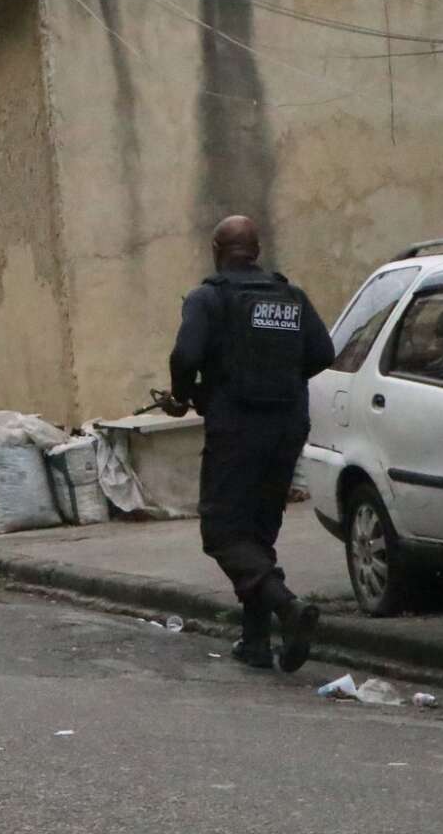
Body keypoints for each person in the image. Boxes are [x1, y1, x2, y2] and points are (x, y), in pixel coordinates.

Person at [163, 215, 335, 673]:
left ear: (217, 249)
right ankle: (255, 641)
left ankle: (288, 607)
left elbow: (185, 355)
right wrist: (278, 379)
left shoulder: (208, 298)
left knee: (222, 530)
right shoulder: (291, 297)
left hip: (236, 427)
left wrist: (184, 394)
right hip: (286, 427)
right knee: (258, 532)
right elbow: (324, 353)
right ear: (256, 251)